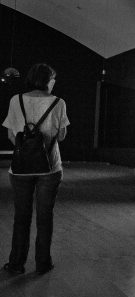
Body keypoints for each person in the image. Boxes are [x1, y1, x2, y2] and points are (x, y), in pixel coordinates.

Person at [2, 63, 70, 275]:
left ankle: (16, 264)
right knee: (45, 217)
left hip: (20, 169)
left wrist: (27, 150)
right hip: (50, 168)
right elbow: (61, 136)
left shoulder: (16, 100)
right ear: (47, 80)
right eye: (53, 79)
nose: (54, 83)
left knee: (21, 216)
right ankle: (42, 264)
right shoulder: (59, 103)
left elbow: (12, 136)